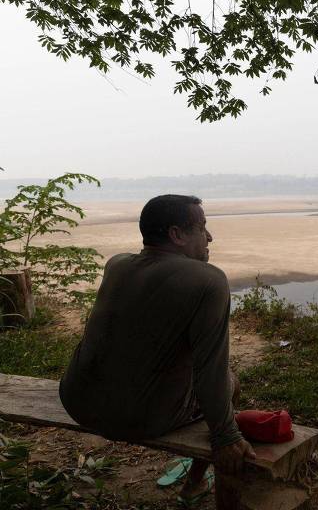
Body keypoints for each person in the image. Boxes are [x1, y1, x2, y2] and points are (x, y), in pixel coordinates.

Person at [59, 194, 256, 507]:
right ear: (176, 235)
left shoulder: (117, 264)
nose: (209, 237)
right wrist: (227, 436)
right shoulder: (209, 280)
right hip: (138, 420)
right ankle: (193, 485)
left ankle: (193, 481)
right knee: (231, 382)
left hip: (76, 400)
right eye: (202, 228)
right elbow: (211, 371)